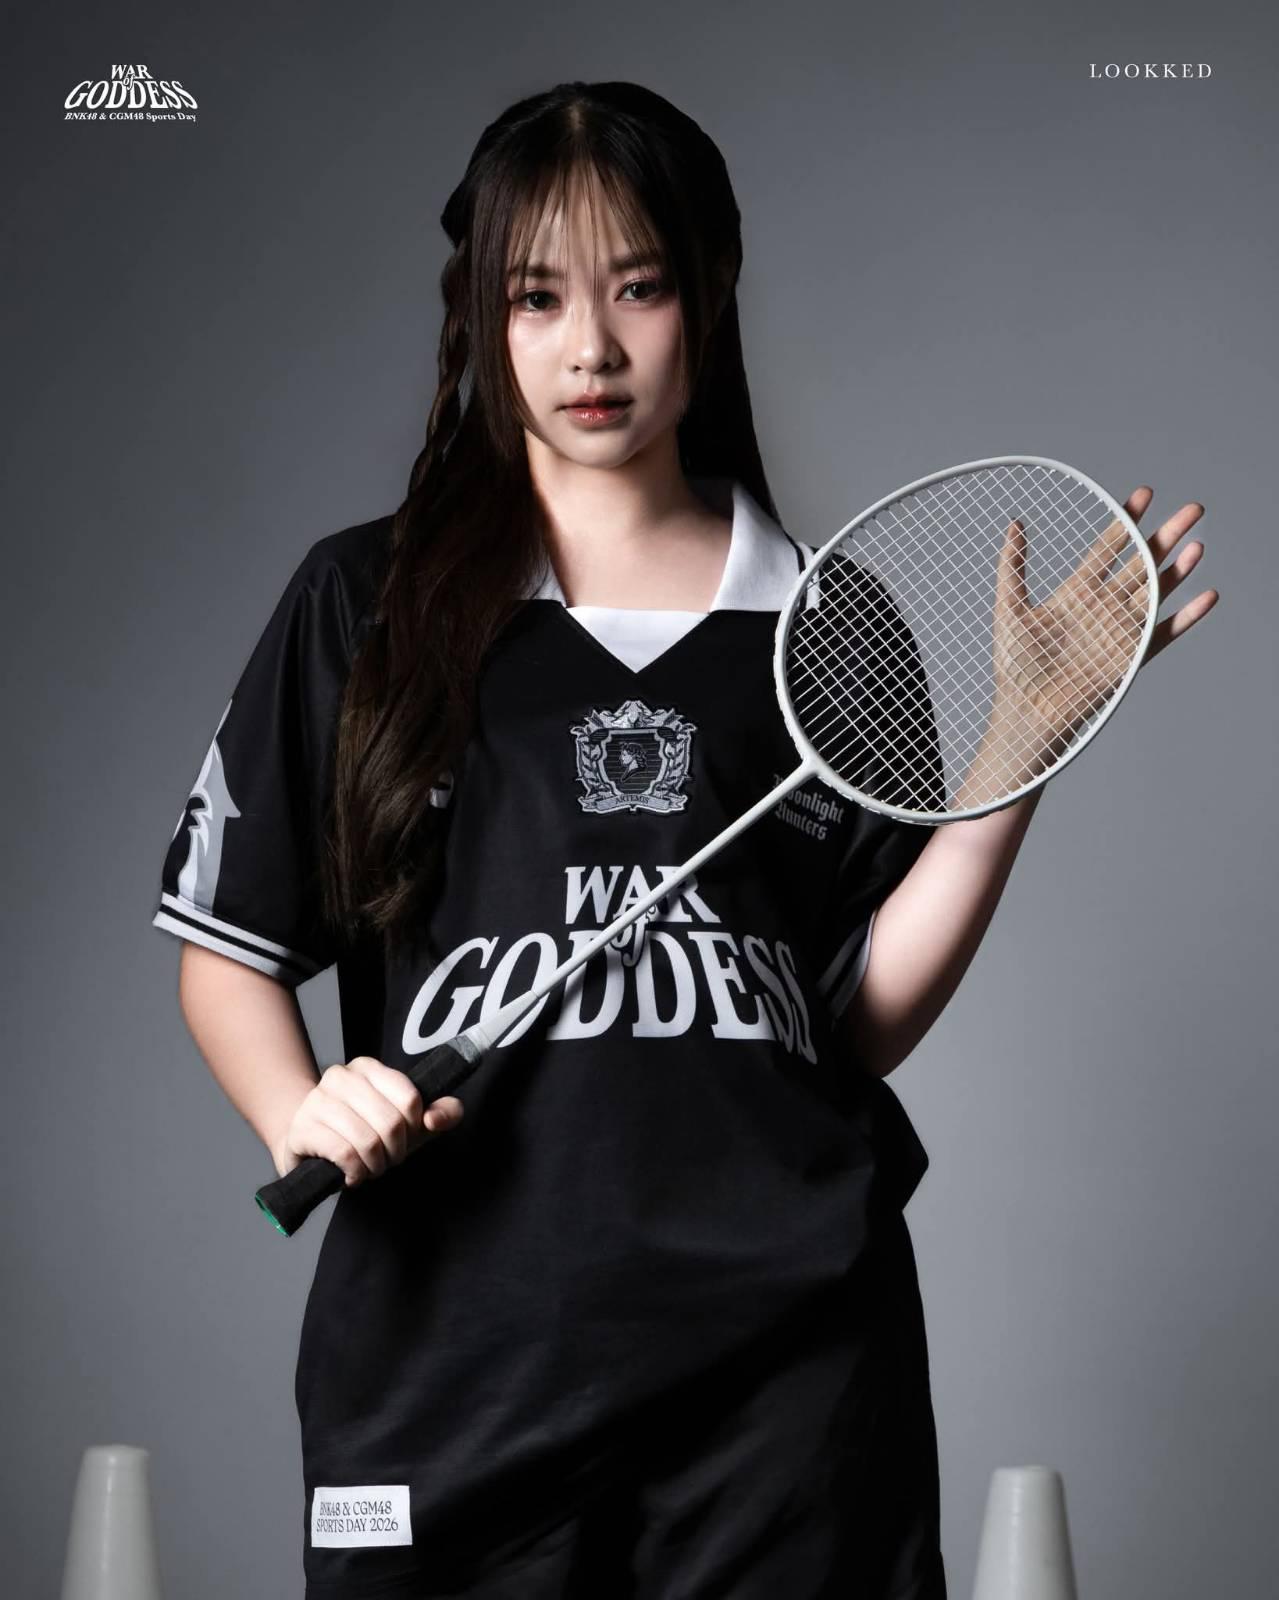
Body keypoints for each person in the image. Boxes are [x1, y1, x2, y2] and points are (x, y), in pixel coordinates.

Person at [152, 79, 1216, 1600]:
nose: (590, 347)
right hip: (456, 1367)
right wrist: (297, 1106)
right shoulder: (366, 606)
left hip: (789, 1374)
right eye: (537, 297)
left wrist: (1015, 761)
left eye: (639, 287)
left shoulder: (826, 622)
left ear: (707, 296)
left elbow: (851, 1022)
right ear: (481, 316)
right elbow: (226, 948)